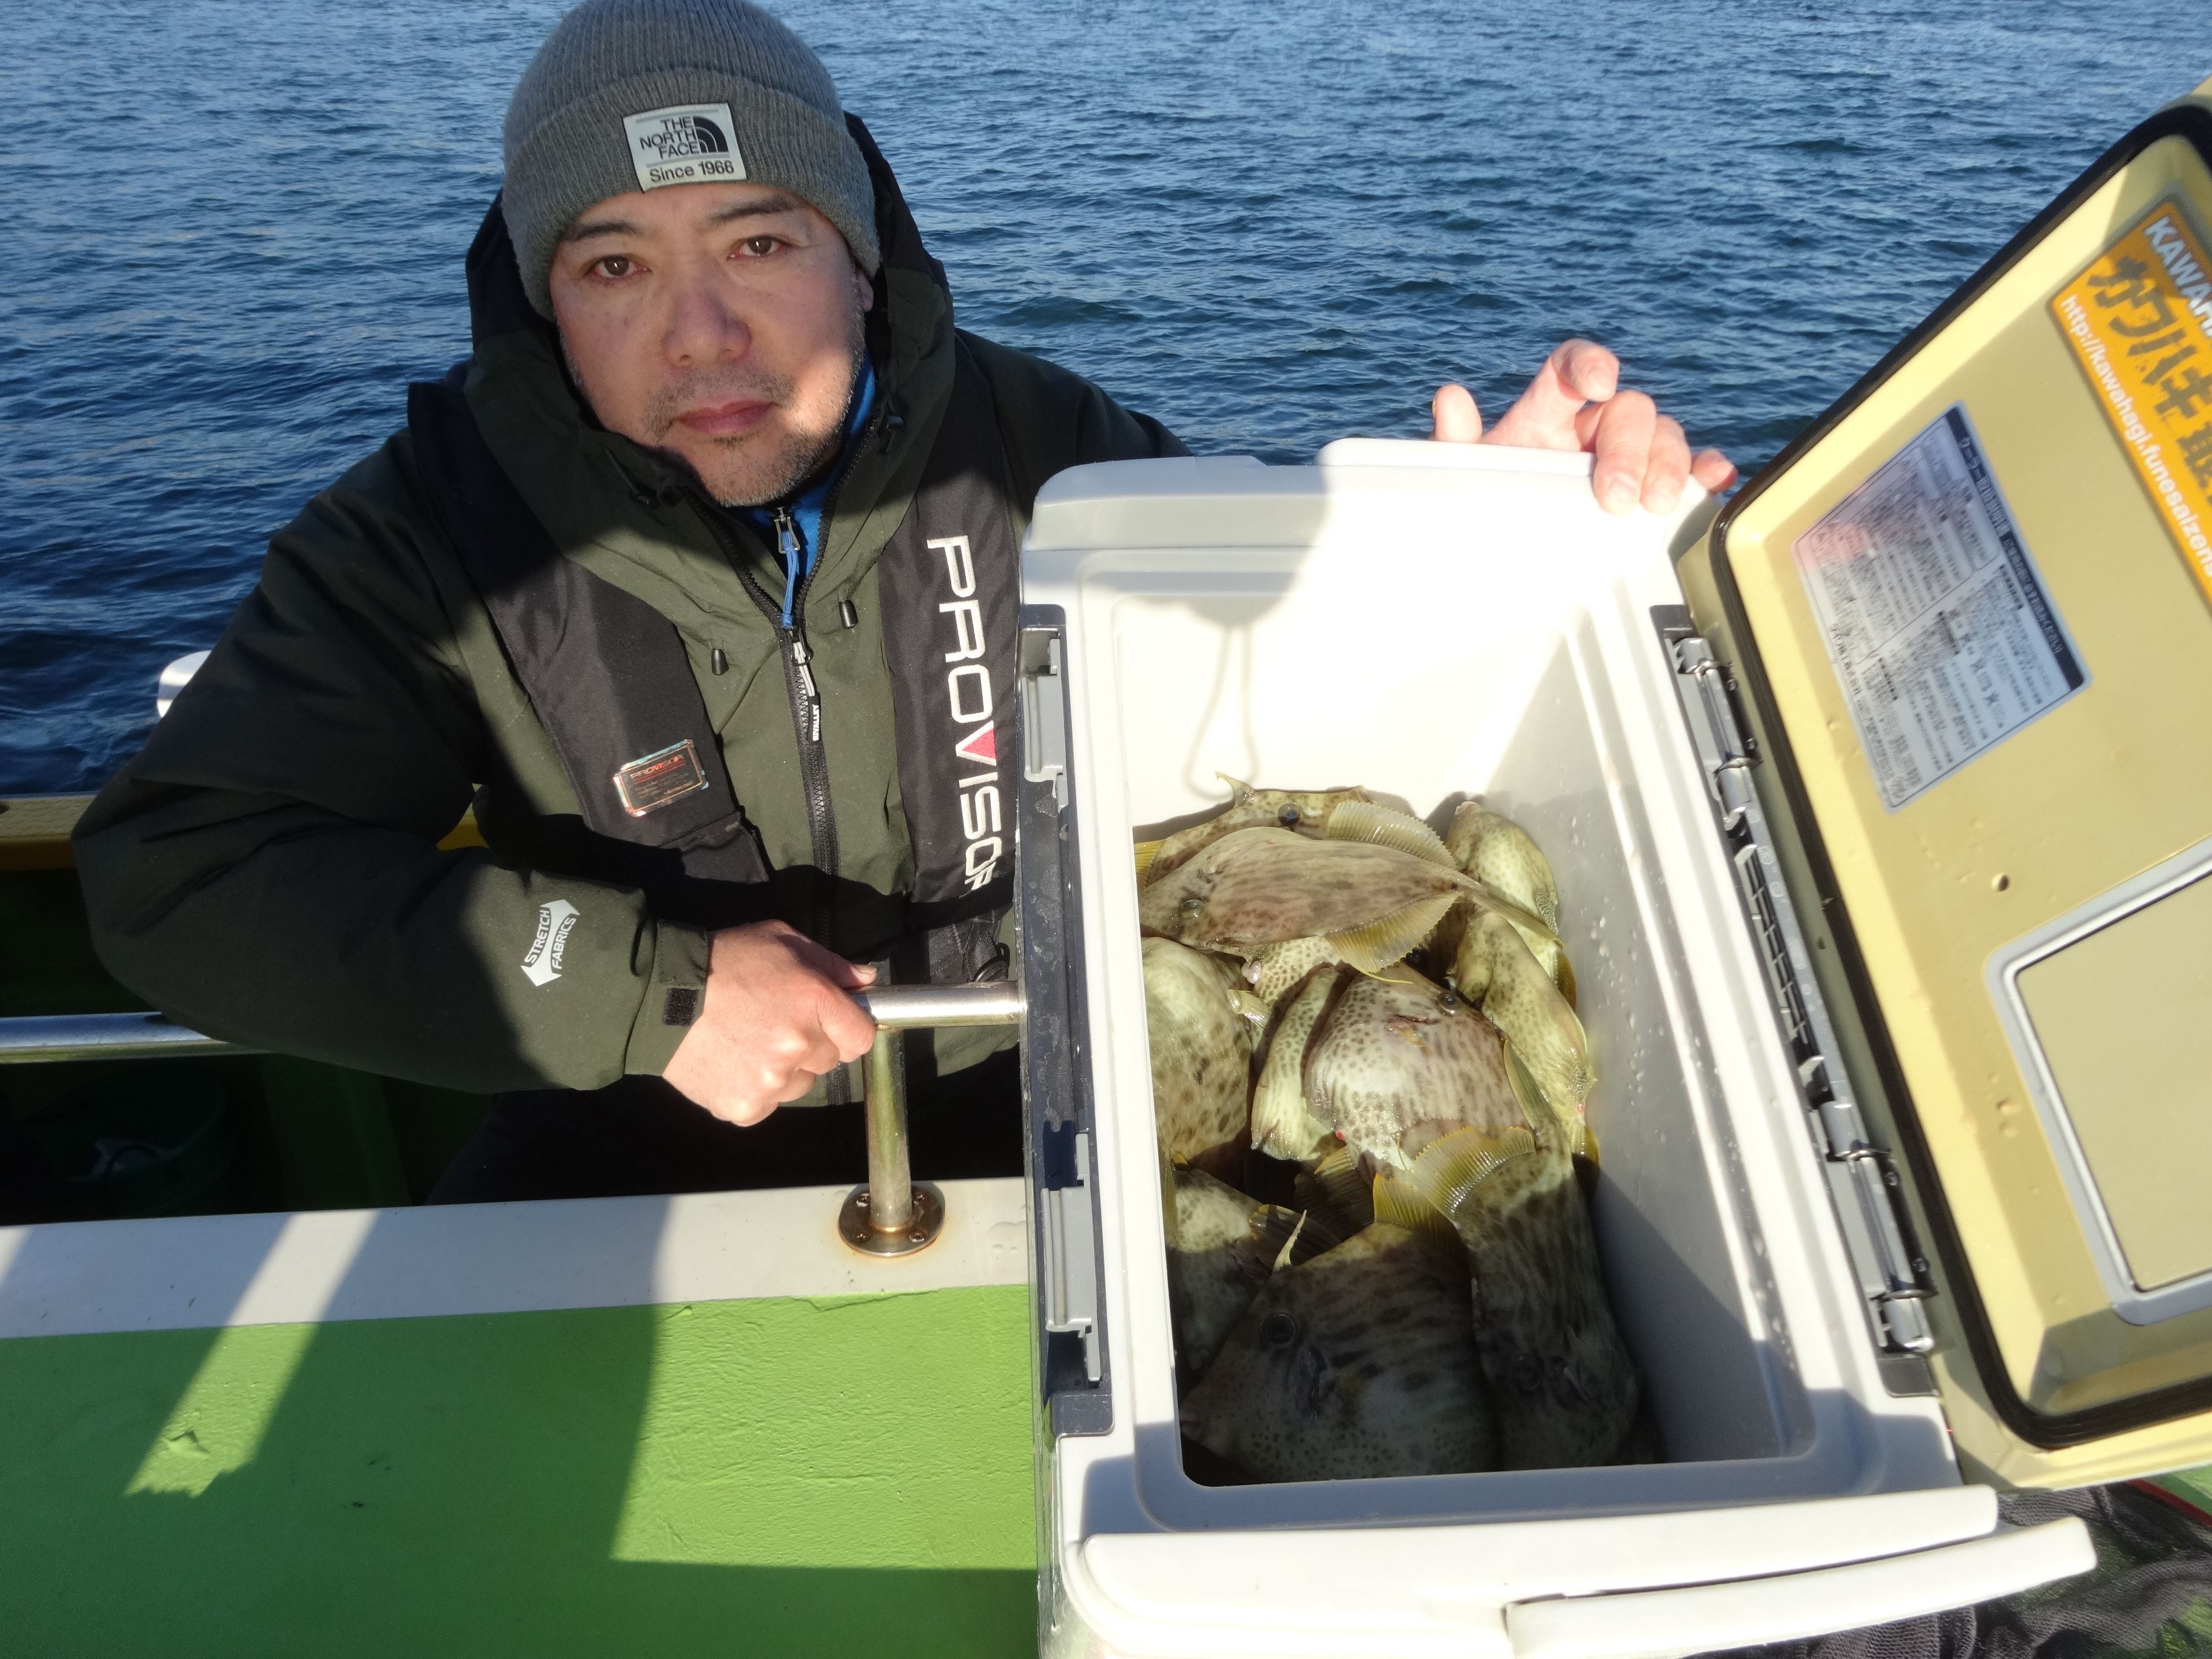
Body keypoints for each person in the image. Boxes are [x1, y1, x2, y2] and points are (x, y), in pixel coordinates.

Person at [71, 0, 1735, 1204]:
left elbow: (1276, 672)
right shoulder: (437, 531)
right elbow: (179, 878)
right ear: (539, 306)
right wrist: (642, 993)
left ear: (858, 256)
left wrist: (1467, 533)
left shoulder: (1042, 447)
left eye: (760, 242)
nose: (703, 335)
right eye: (615, 266)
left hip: (1067, 1101)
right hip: (630, 1125)